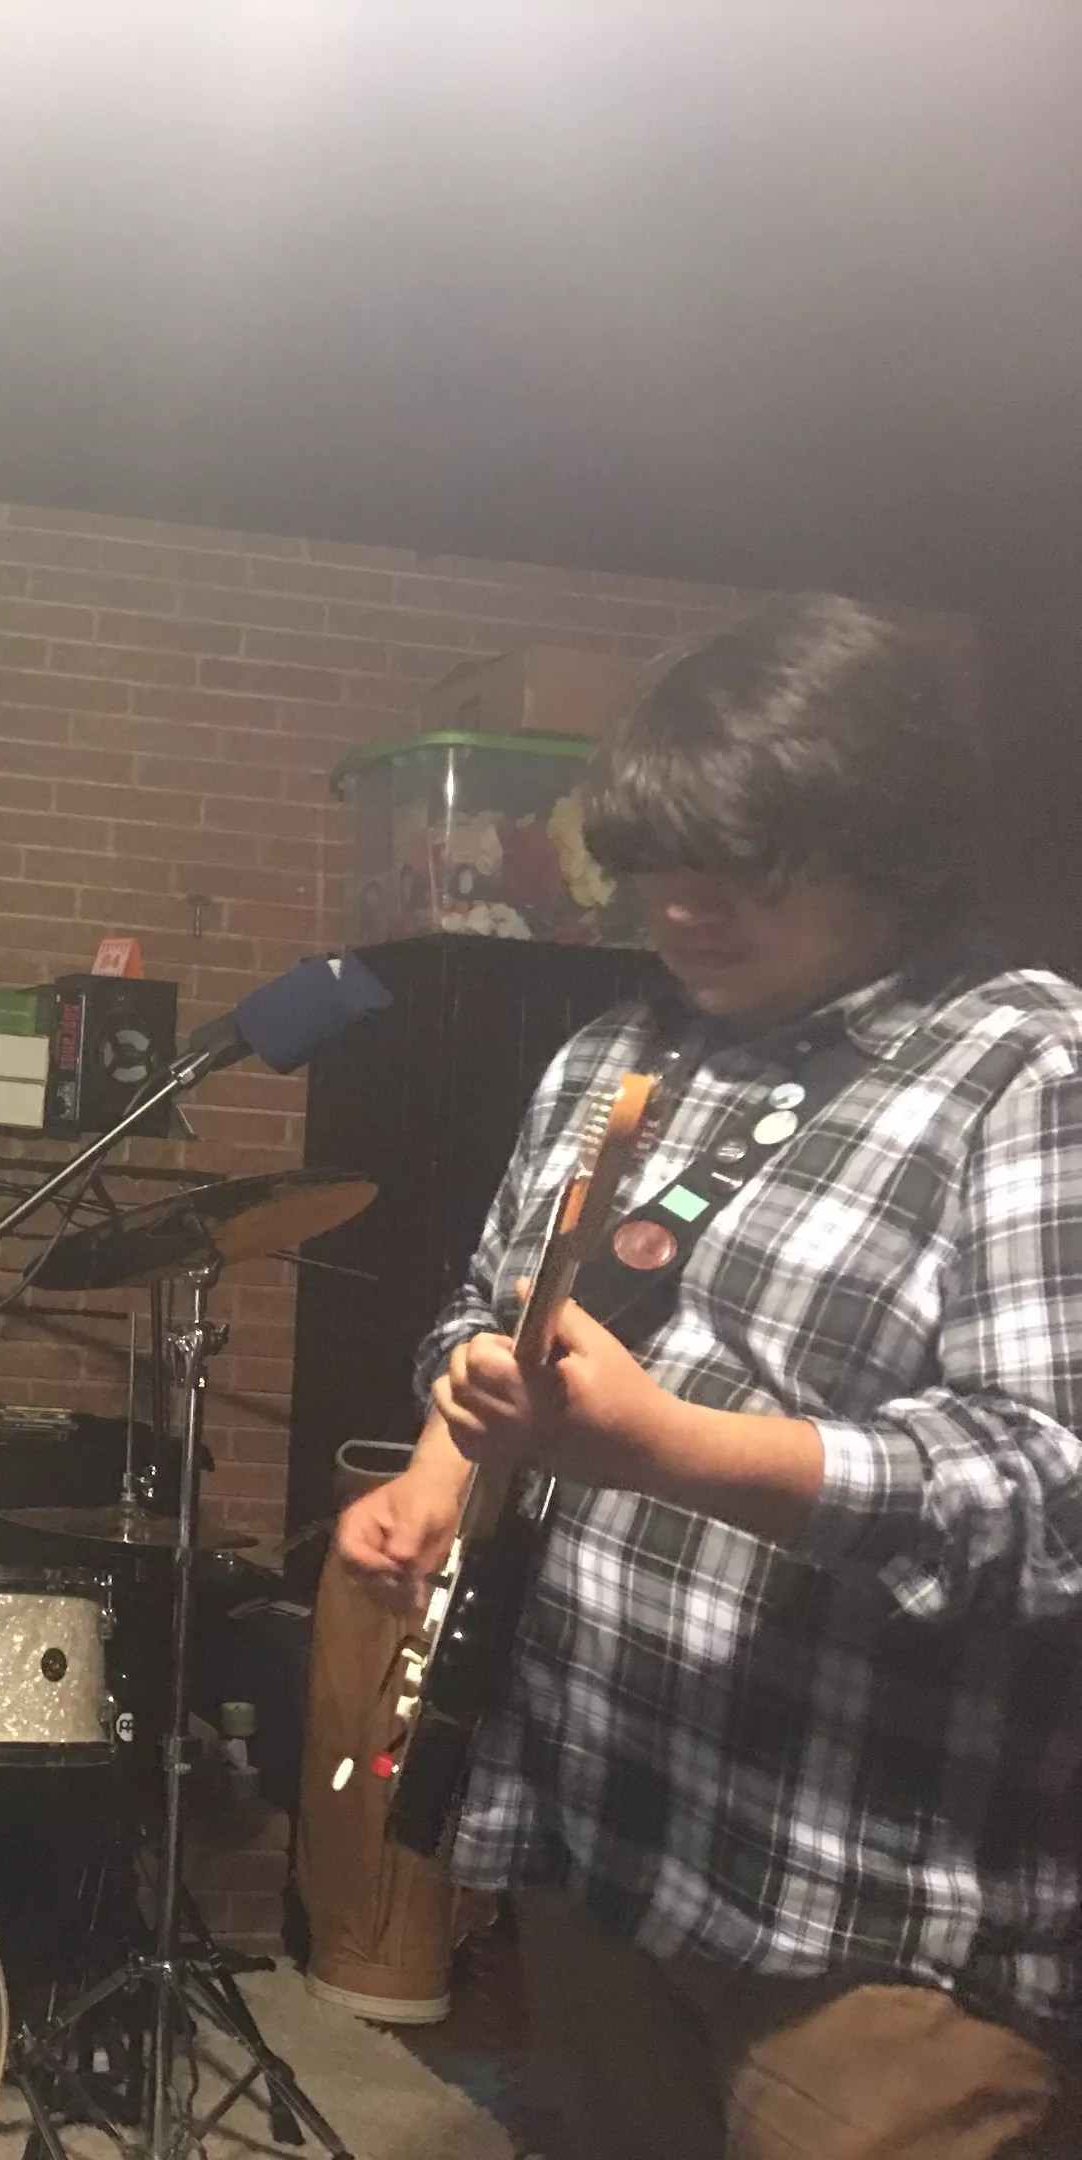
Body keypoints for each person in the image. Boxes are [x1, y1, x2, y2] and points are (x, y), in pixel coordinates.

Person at [336, 595, 1082, 2158]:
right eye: (657, 860)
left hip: (865, 1928)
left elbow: (1050, 1482)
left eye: (750, 863)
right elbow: (487, 1314)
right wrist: (440, 1464)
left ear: (891, 843)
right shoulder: (619, 1055)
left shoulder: (1027, 1072)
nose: (683, 905)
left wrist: (668, 1447)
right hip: (603, 1844)